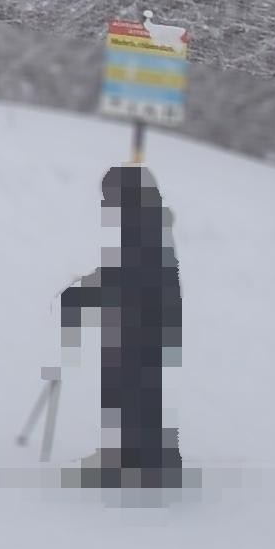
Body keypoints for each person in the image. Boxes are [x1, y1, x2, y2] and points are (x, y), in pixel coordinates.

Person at [58, 157, 186, 485]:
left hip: (145, 319)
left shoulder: (145, 226)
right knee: (129, 388)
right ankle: (128, 455)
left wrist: (86, 293)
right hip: (143, 317)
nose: (106, 205)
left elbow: (130, 277)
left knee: (134, 388)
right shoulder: (147, 221)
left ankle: (146, 465)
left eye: (110, 198)